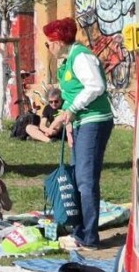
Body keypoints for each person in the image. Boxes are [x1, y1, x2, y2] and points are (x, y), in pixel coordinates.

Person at [43, 18, 113, 250]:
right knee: (77, 176)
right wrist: (61, 118)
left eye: (49, 42)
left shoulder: (81, 57)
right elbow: (73, 95)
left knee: (85, 180)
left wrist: (71, 111)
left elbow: (95, 86)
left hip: (94, 121)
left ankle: (89, 236)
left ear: (60, 41)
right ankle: (80, 229)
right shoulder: (66, 62)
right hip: (80, 122)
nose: (49, 47)